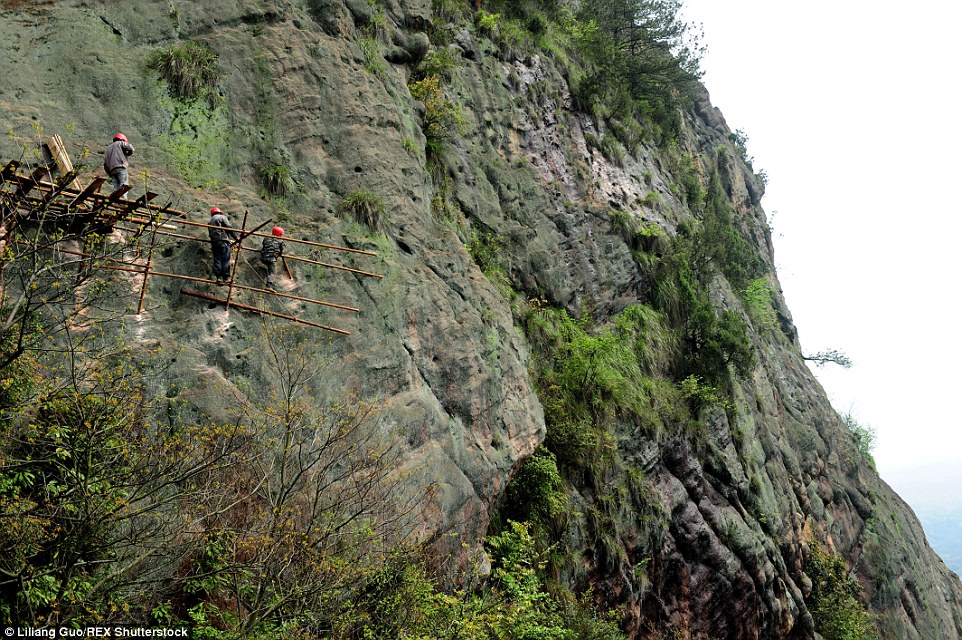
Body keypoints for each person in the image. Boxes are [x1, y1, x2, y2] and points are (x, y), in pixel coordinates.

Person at [208, 207, 238, 283]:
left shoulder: (210, 221)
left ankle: (219, 277)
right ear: (220, 212)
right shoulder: (222, 217)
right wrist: (236, 238)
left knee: (217, 259)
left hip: (214, 242)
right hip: (223, 241)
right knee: (225, 259)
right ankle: (226, 277)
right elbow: (229, 228)